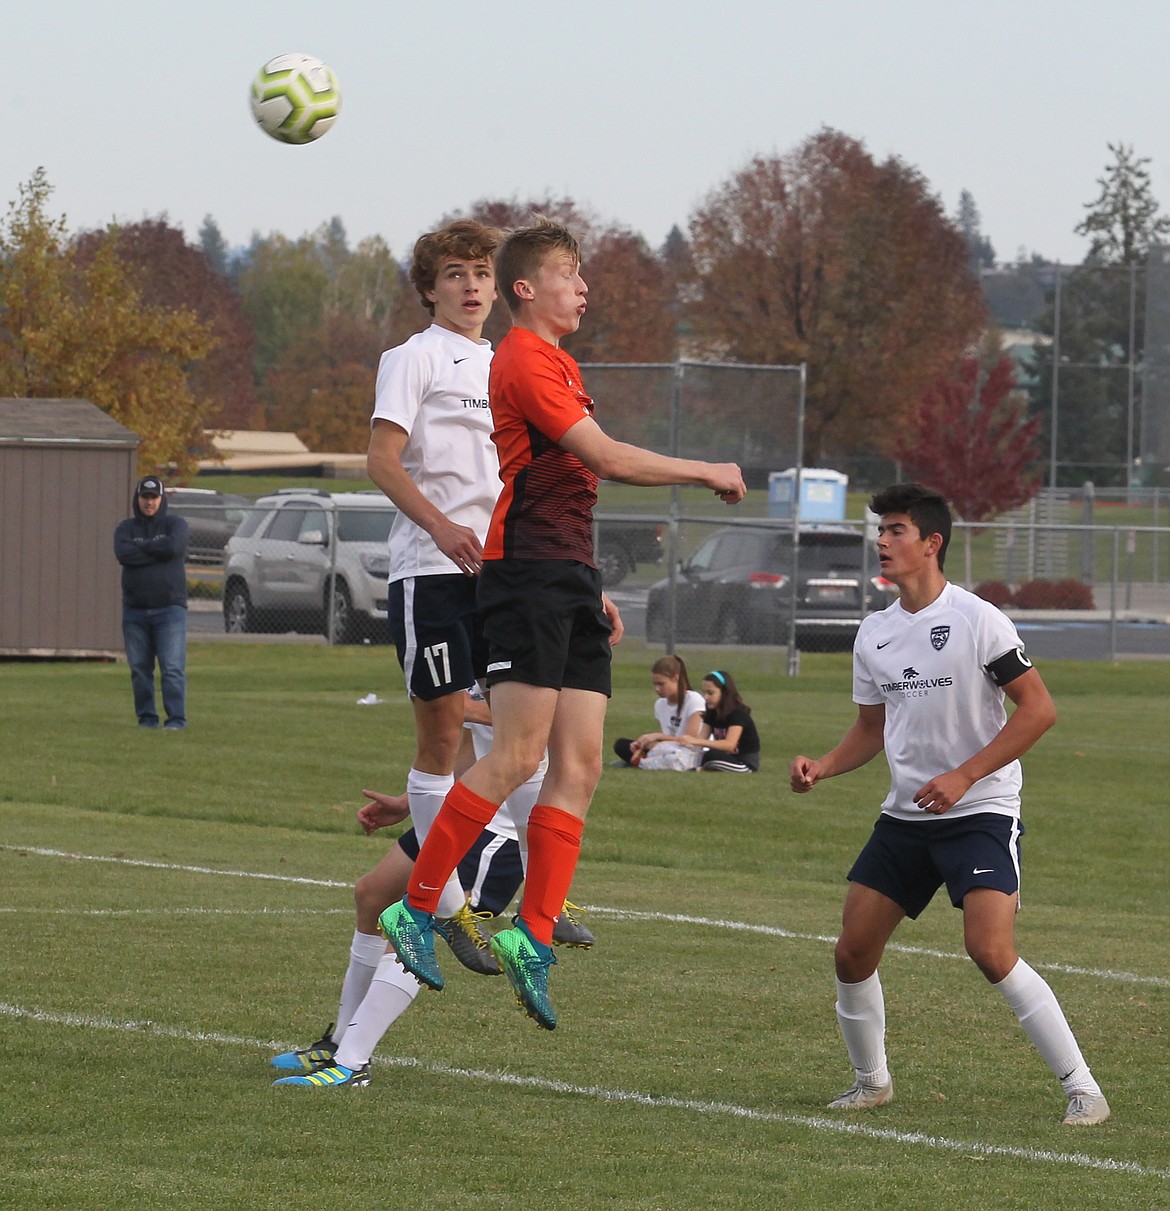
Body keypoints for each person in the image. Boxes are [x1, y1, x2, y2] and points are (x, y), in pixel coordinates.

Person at [378, 216, 746, 1031]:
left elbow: (585, 474)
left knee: (579, 764)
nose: (583, 289)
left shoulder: (559, 362)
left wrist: (594, 584)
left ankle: (531, 937)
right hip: (528, 572)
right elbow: (608, 457)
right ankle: (416, 906)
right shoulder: (519, 357)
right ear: (526, 289)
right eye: (570, 275)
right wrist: (705, 469)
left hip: (570, 571)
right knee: (512, 753)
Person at [788, 482, 1110, 1127]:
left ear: (932, 543)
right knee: (852, 952)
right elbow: (871, 732)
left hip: (982, 810)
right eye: (881, 530)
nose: (882, 540)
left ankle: (1084, 1090)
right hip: (907, 816)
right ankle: (870, 1082)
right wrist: (823, 766)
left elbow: (1039, 710)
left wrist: (964, 776)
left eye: (897, 529)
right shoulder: (874, 632)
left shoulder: (977, 618)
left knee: (989, 949)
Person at [113, 476, 189, 729]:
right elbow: (124, 554)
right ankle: (147, 718)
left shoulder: (175, 524)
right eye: (145, 497)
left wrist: (143, 547)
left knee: (172, 668)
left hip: (170, 610)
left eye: (153, 497)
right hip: (134, 612)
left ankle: (176, 719)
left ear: (161, 499)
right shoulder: (126, 528)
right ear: (138, 499)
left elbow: (174, 546)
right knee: (139, 670)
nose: (149, 502)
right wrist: (156, 550)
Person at [613, 654, 706, 769]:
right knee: (622, 745)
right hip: (669, 748)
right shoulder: (660, 704)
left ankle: (642, 762)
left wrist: (656, 736)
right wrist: (647, 744)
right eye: (655, 684)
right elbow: (666, 738)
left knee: (673, 754)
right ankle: (645, 760)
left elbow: (689, 740)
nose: (657, 689)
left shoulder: (694, 700)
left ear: (676, 678)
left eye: (661, 684)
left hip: (691, 751)